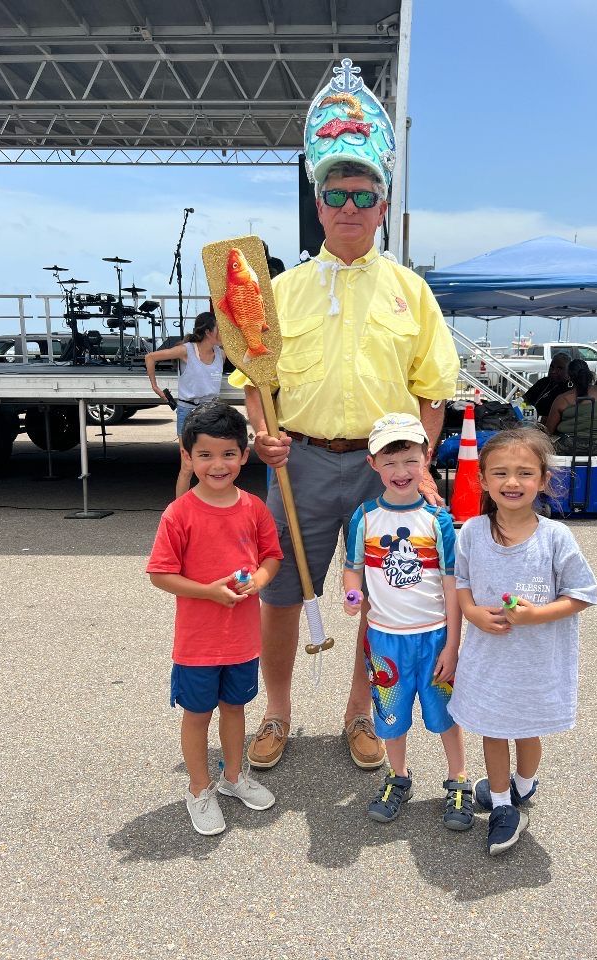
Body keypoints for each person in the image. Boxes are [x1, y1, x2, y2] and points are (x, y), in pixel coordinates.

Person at [231, 60, 460, 773]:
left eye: (364, 192)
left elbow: (433, 389)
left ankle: (362, 714)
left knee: (382, 599)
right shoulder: (279, 290)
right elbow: (254, 378)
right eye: (336, 191)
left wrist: (416, 469)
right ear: (319, 202)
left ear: (383, 203)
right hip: (295, 461)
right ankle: (278, 715)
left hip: (382, 470)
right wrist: (262, 432)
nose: (350, 204)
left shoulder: (411, 292)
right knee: (281, 596)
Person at [448, 428, 597, 855]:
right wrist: (474, 612)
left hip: (534, 663)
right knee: (493, 731)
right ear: (483, 480)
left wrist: (536, 616)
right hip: (488, 660)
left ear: (543, 480)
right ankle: (500, 805)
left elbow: (582, 594)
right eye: (500, 473)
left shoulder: (555, 537)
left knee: (527, 732)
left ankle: (523, 785)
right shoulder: (472, 531)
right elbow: (461, 583)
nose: (512, 482)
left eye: (524, 473)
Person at [146, 402, 283, 836]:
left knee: (235, 708)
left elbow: (271, 557)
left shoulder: (255, 508)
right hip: (198, 643)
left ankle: (233, 776)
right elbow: (160, 574)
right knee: (196, 714)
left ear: (245, 455)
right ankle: (199, 787)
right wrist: (208, 591)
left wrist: (259, 580)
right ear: (187, 457)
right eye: (204, 455)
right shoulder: (179, 513)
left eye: (228, 454)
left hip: (242, 640)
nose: (217, 464)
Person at [343, 413, 472, 829]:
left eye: (410, 460)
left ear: (427, 457)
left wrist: (453, 645)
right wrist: (351, 593)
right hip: (384, 641)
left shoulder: (438, 521)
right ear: (372, 464)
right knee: (390, 717)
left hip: (434, 639)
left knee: (445, 717)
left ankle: (458, 780)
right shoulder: (363, 516)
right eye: (390, 461)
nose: (401, 472)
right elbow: (353, 568)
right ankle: (398, 777)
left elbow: (453, 586)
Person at [144, 312, 225, 498]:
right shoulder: (187, 350)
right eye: (219, 329)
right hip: (188, 411)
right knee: (188, 466)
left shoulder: (221, 354)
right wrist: (155, 387)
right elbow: (150, 357)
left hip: (211, 411)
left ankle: (209, 506)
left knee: (212, 463)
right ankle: (179, 512)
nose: (223, 333)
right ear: (208, 332)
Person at [521, 352, 571, 419]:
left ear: (569, 371)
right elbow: (524, 400)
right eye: (551, 367)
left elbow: (557, 419)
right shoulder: (543, 382)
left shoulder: (570, 389)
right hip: (529, 421)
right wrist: (524, 411)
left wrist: (532, 416)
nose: (553, 371)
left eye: (559, 368)